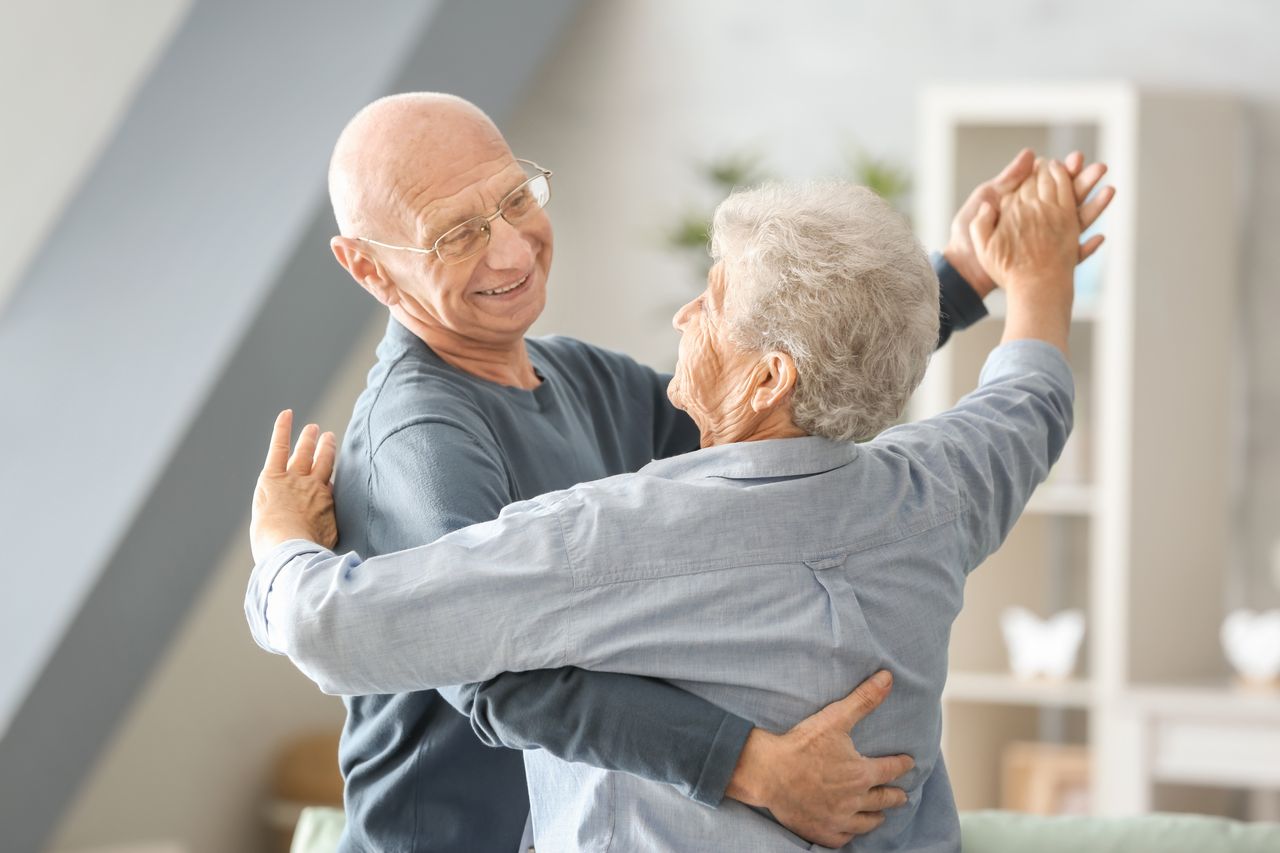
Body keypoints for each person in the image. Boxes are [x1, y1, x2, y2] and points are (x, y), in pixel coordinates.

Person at [270, 92, 1110, 852]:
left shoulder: (588, 406)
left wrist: (958, 279)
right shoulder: (423, 441)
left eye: (516, 198)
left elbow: (763, 418)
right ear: (370, 268)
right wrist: (752, 765)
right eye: (456, 234)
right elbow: (485, 671)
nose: (510, 247)